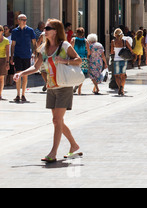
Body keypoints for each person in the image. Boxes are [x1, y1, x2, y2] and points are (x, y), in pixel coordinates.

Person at [13, 18, 81, 162]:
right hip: (51, 87)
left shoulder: (65, 46)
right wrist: (21, 73)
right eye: (45, 28)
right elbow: (36, 67)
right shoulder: (43, 48)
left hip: (64, 87)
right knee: (57, 121)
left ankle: (53, 152)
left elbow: (79, 60)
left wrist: (64, 61)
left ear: (55, 31)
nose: (45, 31)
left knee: (57, 119)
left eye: (48, 28)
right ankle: (74, 145)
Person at [10, 14, 36, 103]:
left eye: (25, 19)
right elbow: (13, 45)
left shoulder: (30, 30)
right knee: (18, 74)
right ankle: (18, 94)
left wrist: (35, 53)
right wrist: (12, 56)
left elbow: (34, 43)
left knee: (25, 75)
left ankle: (23, 94)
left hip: (27, 56)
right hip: (17, 55)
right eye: (22, 20)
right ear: (18, 20)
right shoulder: (14, 31)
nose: (24, 21)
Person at [111, 28, 132, 96]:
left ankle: (120, 87)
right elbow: (131, 50)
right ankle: (122, 89)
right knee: (123, 75)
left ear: (115, 34)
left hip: (116, 60)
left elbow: (112, 52)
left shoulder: (113, 42)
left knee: (117, 75)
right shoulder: (125, 42)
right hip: (124, 60)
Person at [71, 27, 90, 95]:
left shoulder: (73, 40)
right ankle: (79, 90)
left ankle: (74, 84)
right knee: (82, 74)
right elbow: (89, 51)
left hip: (75, 58)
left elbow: (70, 49)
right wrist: (87, 56)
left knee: (74, 72)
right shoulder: (86, 41)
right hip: (83, 59)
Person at [0, 25, 10, 100]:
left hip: (3, 59)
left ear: (2, 31)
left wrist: (7, 62)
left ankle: (0, 94)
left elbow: (7, 52)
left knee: (1, 78)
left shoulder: (6, 40)